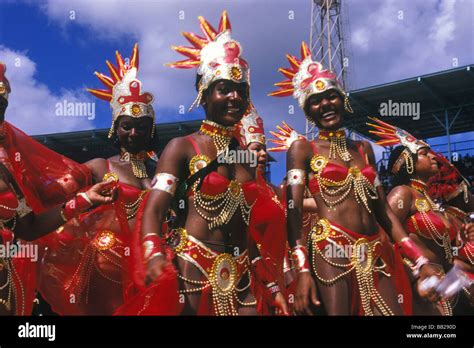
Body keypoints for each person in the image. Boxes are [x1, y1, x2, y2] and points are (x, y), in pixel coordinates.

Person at [268, 43, 436, 315]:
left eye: (331, 96)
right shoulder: (303, 149)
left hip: (375, 249)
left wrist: (418, 260)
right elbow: (293, 211)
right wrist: (302, 271)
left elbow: (383, 212)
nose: (325, 104)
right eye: (315, 101)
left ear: (342, 98)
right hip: (331, 249)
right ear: (308, 110)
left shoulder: (364, 150)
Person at [129, 11, 261, 316]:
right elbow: (155, 209)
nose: (234, 97)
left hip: (239, 275)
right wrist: (152, 255)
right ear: (204, 93)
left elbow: (245, 227)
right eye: (224, 89)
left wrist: (269, 283)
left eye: (241, 91)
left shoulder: (245, 157)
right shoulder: (182, 147)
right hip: (192, 267)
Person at [37, 44, 159, 315]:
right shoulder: (99, 166)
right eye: (126, 126)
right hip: (106, 266)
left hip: (153, 262)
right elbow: (50, 193)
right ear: (115, 129)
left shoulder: (161, 170)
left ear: (151, 129)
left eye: (142, 127)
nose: (134, 132)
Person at [0, 62, 116, 315]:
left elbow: (28, 228)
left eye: (1, 108)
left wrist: (84, 199)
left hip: (7, 287)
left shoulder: (7, 169)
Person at [368, 117, 474, 315]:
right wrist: (414, 275)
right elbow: (381, 238)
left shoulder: (433, 202)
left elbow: (446, 252)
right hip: (420, 284)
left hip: (444, 282)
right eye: (425, 154)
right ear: (408, 163)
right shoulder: (403, 193)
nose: (434, 157)